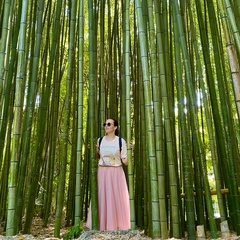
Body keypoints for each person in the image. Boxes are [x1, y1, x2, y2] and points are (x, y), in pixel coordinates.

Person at [86, 118, 130, 231]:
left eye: (109, 124)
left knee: (116, 197)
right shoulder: (100, 140)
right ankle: (100, 225)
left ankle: (116, 225)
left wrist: (130, 151)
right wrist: (96, 152)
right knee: (101, 197)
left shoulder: (121, 141)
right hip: (102, 172)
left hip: (116, 172)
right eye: (104, 124)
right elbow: (98, 157)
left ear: (115, 127)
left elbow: (125, 161)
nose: (106, 126)